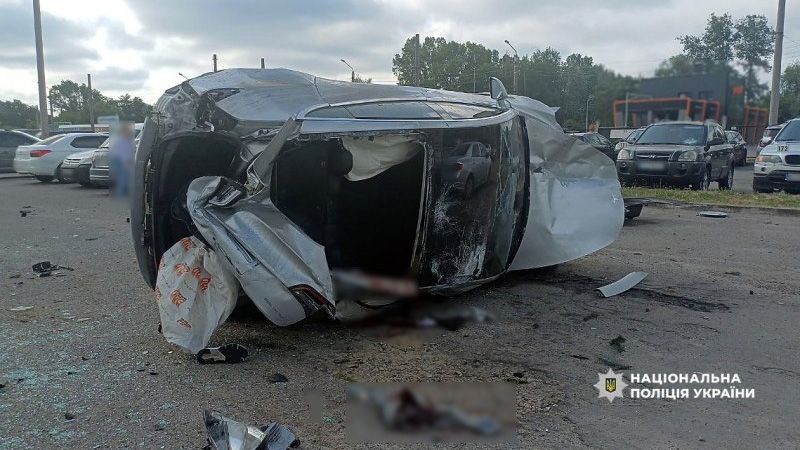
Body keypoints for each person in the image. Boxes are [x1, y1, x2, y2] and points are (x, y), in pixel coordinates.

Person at [109, 124, 135, 197]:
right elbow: (117, 153)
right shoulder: (119, 141)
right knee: (122, 179)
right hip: (120, 162)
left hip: (127, 162)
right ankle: (120, 194)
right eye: (126, 131)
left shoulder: (129, 141)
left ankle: (123, 194)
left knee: (126, 179)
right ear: (123, 132)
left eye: (128, 131)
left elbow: (132, 150)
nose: (128, 133)